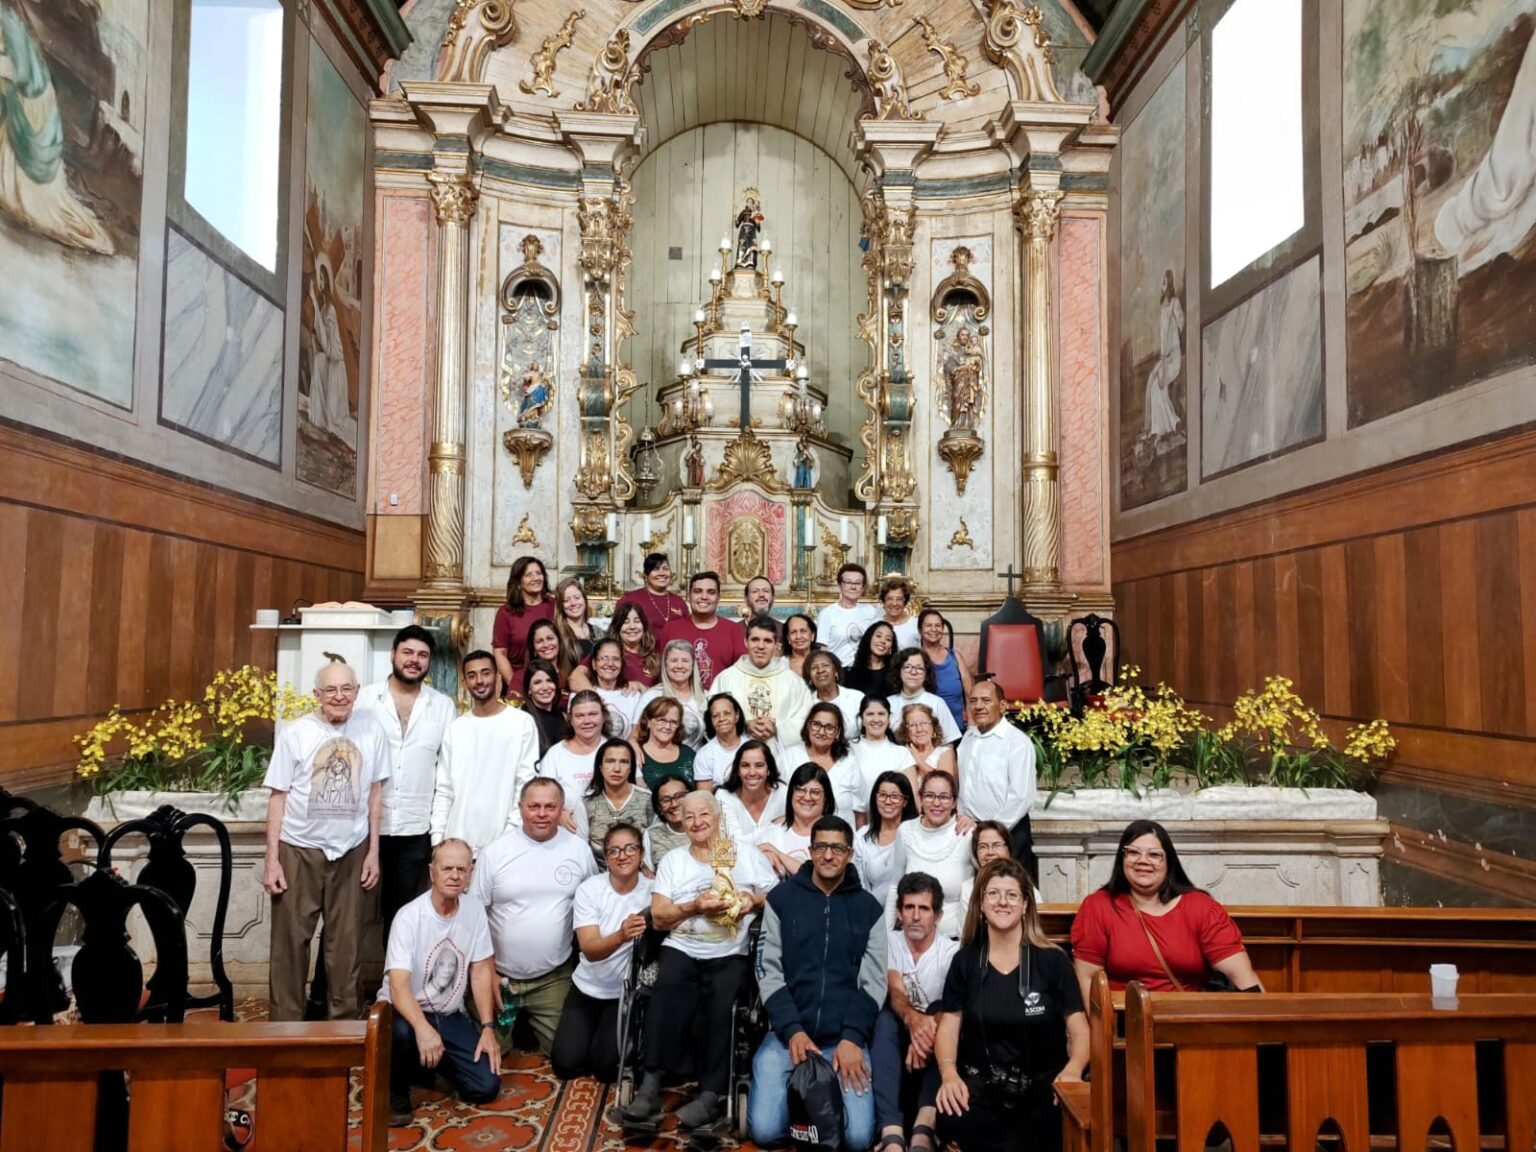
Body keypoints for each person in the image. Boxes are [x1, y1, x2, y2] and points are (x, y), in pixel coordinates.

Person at [622, 792, 770, 1130]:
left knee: (724, 1002)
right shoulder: (674, 860)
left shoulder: (744, 855)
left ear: (717, 816)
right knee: (666, 987)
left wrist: (752, 901)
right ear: (681, 822)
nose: (697, 822)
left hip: (729, 950)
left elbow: (774, 894)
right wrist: (694, 907)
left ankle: (710, 1094)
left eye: (704, 814)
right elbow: (659, 917)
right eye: (689, 817)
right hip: (682, 945)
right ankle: (649, 1085)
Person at [749, 816, 887, 1150]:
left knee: (857, 1140)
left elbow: (874, 982)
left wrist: (853, 1037)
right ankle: (810, 1114)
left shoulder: (868, 909)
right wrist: (793, 1030)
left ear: (849, 854)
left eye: (837, 848)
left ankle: (814, 1113)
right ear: (810, 850)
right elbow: (768, 971)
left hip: (843, 1044)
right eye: (821, 846)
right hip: (787, 1038)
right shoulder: (782, 900)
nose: (828, 855)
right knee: (764, 1132)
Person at [930, 859, 1088, 1152]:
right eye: (993, 894)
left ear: (1026, 904)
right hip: (983, 1083)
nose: (1002, 902)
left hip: (1044, 1084)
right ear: (981, 902)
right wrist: (949, 1074)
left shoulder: (1053, 961)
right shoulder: (965, 961)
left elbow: (1079, 1029)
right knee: (951, 1113)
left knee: (1062, 1114)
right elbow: (949, 1027)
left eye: (1012, 895)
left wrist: (1074, 1070)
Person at [263, 659, 390, 1020]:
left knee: (345, 948)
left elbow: (375, 794)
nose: (339, 696)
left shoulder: (371, 731)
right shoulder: (296, 733)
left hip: (351, 851)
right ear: (317, 695)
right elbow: (278, 798)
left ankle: (344, 1033)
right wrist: (272, 859)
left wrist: (373, 853)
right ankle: (283, 1033)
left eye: (346, 689)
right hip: (299, 849)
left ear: (357, 692)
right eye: (331, 690)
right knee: (290, 946)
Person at [470, 778, 598, 1054]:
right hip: (500, 978)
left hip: (553, 978)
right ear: (521, 809)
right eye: (534, 806)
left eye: (550, 807)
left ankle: (528, 1026)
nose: (542, 814)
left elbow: (594, 904)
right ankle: (518, 1028)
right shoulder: (495, 853)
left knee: (570, 1057)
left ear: (561, 808)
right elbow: (474, 917)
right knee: (487, 1058)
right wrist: (488, 972)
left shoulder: (578, 850)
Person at [1070, 820, 1262, 1000]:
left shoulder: (1201, 907)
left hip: (1189, 1023)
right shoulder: (1099, 906)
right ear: (1122, 858)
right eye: (1133, 852)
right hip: (1126, 1025)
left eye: (1154, 855)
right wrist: (1101, 1034)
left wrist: (1261, 1027)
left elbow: (1240, 974)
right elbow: (1087, 980)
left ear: (1168, 862)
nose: (1143, 860)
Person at [382, 839, 501, 1126]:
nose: (455, 875)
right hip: (403, 1010)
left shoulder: (473, 910)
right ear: (432, 872)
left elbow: (481, 970)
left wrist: (487, 1028)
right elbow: (398, 985)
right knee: (402, 1034)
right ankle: (395, 1093)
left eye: (462, 869)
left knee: (485, 1087)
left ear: (470, 873)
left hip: (447, 1013)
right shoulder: (409, 917)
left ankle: (428, 1065)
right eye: (447, 868)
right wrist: (422, 1028)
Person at [357, 626, 455, 935]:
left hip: (414, 830)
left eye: (422, 655)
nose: (414, 660)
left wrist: (438, 833)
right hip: (362, 827)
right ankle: (325, 986)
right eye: (408, 652)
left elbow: (446, 774)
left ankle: (393, 984)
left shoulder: (442, 706)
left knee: (401, 921)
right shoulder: (364, 700)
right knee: (345, 917)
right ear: (393, 655)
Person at [551, 823, 653, 1081]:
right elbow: (590, 949)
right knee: (565, 1065)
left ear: (641, 854)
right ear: (606, 858)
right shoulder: (590, 890)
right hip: (587, 987)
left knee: (606, 1070)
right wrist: (621, 934)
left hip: (624, 992)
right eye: (615, 850)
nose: (623, 855)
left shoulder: (655, 892)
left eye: (630, 848)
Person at [873, 872, 959, 1152]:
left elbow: (954, 1005)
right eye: (909, 908)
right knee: (885, 1018)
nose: (916, 916)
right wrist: (914, 1023)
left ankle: (924, 1129)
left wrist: (924, 1033)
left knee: (941, 1013)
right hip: (898, 1036)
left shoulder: (951, 952)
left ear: (938, 916)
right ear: (899, 912)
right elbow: (895, 990)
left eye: (924, 908)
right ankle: (892, 1136)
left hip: (936, 1046)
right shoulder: (889, 942)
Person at [430, 650, 540, 857]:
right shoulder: (456, 728)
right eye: (472, 676)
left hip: (505, 845)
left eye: (485, 673)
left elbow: (525, 786)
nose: (479, 681)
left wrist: (507, 840)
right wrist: (438, 840)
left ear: (497, 677)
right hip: (457, 845)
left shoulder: (521, 723)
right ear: (464, 683)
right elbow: (444, 789)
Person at [956, 679, 1038, 874]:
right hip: (973, 832)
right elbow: (963, 787)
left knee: (1010, 893)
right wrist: (963, 817)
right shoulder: (967, 739)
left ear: (1002, 705)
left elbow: (1020, 797)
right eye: (973, 701)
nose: (978, 706)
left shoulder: (1017, 742)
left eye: (986, 700)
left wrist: (991, 832)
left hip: (1008, 833)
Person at [886, 770, 974, 939]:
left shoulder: (967, 833)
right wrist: (887, 938)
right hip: (911, 937)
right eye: (929, 795)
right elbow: (894, 886)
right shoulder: (906, 830)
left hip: (954, 938)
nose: (936, 803)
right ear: (920, 799)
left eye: (944, 797)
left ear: (954, 802)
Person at [713, 615, 814, 745]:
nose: (761, 646)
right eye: (755, 640)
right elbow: (711, 719)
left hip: (780, 758)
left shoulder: (793, 681)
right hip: (733, 757)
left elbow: (807, 721)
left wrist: (777, 727)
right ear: (746, 642)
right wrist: (744, 725)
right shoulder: (726, 678)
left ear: (776, 644)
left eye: (767, 641)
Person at [659, 571, 748, 689]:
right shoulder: (671, 629)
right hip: (678, 699)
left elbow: (742, 673)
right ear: (689, 596)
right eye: (698, 591)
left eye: (711, 592)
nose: (704, 596)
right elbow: (660, 671)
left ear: (718, 598)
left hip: (720, 700)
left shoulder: (733, 630)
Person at [538, 690, 607, 835]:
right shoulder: (555, 754)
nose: (587, 721)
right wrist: (558, 814)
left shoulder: (615, 750)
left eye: (593, 714)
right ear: (570, 719)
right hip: (567, 838)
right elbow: (543, 797)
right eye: (579, 716)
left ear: (603, 716)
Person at [779, 702, 861, 817]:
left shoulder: (848, 762)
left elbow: (860, 810)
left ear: (837, 732)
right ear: (808, 726)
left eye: (829, 728)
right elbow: (777, 802)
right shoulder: (789, 757)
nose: (822, 732)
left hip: (840, 832)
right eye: (816, 724)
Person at [758, 761, 835, 881]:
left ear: (826, 798)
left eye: (815, 792)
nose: (807, 797)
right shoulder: (770, 834)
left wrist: (779, 855)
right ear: (791, 794)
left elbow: (821, 880)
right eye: (800, 790)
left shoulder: (836, 835)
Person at [854, 771, 918, 907]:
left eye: (895, 796)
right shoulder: (862, 837)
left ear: (905, 801)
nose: (888, 801)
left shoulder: (916, 834)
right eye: (882, 795)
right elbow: (860, 885)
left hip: (911, 912)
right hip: (872, 914)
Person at [493, 556, 555, 692]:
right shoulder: (506, 612)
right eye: (529, 575)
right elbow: (500, 653)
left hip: (550, 681)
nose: (536, 578)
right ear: (519, 582)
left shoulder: (554, 605)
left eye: (539, 573)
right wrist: (515, 686)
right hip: (517, 679)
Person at [583, 739, 652, 862]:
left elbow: (654, 844)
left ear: (631, 768)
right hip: (598, 874)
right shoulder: (585, 803)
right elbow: (581, 850)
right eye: (610, 761)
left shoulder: (648, 800)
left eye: (624, 762)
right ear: (600, 766)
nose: (617, 768)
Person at [637, 639, 709, 749]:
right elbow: (635, 736)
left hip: (697, 763)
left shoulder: (706, 697)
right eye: (674, 660)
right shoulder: (651, 696)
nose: (679, 666)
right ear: (665, 664)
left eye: (685, 660)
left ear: (693, 665)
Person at [717, 738, 787, 846]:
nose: (752, 772)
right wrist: (773, 825)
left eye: (759, 765)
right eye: (745, 766)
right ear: (738, 770)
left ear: (768, 769)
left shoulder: (783, 793)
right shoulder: (723, 797)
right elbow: (735, 845)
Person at [852, 696, 914, 816]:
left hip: (892, 822)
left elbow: (911, 796)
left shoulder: (901, 753)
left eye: (881, 714)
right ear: (861, 718)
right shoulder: (849, 749)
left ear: (889, 718)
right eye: (870, 714)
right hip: (854, 822)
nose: (876, 719)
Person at [574, 638, 644, 740]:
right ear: (594, 664)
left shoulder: (633, 695)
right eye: (604, 658)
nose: (610, 664)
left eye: (616, 659)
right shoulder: (580, 695)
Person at [889, 649, 963, 745]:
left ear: (926, 674)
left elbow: (948, 742)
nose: (913, 672)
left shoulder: (937, 703)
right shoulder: (889, 703)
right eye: (907, 667)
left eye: (919, 668)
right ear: (899, 671)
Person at [917, 609, 972, 735]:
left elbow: (970, 695)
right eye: (928, 625)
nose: (934, 629)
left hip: (958, 728)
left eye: (938, 625)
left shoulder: (955, 657)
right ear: (920, 630)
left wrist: (971, 726)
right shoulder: (914, 658)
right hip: (925, 731)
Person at [818, 563, 882, 666]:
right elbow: (823, 649)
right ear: (840, 585)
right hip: (838, 669)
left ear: (863, 587)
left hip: (864, 669)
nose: (853, 587)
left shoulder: (870, 611)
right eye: (848, 582)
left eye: (858, 583)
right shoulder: (827, 613)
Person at [634, 696, 697, 792]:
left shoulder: (688, 754)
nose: (668, 727)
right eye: (662, 720)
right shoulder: (637, 755)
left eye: (673, 722)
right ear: (648, 722)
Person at [615, 552, 688, 634]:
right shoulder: (629, 600)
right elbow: (617, 632)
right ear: (646, 575)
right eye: (656, 569)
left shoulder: (679, 602)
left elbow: (687, 632)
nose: (662, 573)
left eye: (666, 568)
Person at [693, 692, 749, 790]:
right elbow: (705, 798)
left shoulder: (752, 747)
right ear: (711, 720)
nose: (721, 719)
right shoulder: (704, 755)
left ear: (737, 716)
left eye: (727, 713)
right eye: (715, 715)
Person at [805, 649, 863, 735]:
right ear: (810, 678)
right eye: (814, 667)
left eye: (825, 665)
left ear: (836, 673)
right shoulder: (805, 705)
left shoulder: (857, 698)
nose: (820, 670)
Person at [643, 775, 694, 870]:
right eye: (666, 800)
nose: (674, 804)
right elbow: (648, 876)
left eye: (680, 796)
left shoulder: (705, 829)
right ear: (659, 808)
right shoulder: (652, 834)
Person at [900, 702, 959, 784]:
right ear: (906, 731)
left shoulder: (945, 753)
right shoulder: (902, 754)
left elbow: (945, 784)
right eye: (912, 725)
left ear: (933, 727)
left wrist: (917, 760)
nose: (919, 729)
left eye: (924, 723)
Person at [522, 659, 567, 755]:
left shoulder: (563, 716)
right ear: (529, 689)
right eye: (537, 682)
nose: (545, 687)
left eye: (549, 681)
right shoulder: (523, 719)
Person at [554, 577, 603, 666]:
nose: (573, 603)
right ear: (561, 606)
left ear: (584, 599)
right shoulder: (557, 634)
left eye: (577, 597)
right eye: (566, 600)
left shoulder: (598, 631)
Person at [846, 620, 898, 697]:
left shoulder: (895, 676)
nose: (883, 641)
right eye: (878, 636)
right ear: (869, 639)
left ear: (891, 648)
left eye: (888, 639)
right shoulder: (850, 674)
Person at [523, 619, 568, 688]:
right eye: (539, 641)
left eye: (550, 638)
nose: (546, 645)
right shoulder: (521, 677)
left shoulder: (571, 674)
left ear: (559, 641)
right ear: (533, 648)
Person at [879, 578, 921, 650]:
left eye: (899, 599)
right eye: (890, 599)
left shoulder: (916, 624)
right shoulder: (875, 624)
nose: (894, 604)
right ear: (884, 601)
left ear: (905, 602)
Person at [782, 613, 818, 680]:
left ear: (812, 635)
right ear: (788, 638)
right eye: (793, 632)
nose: (798, 636)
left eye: (803, 631)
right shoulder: (780, 664)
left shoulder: (824, 661)